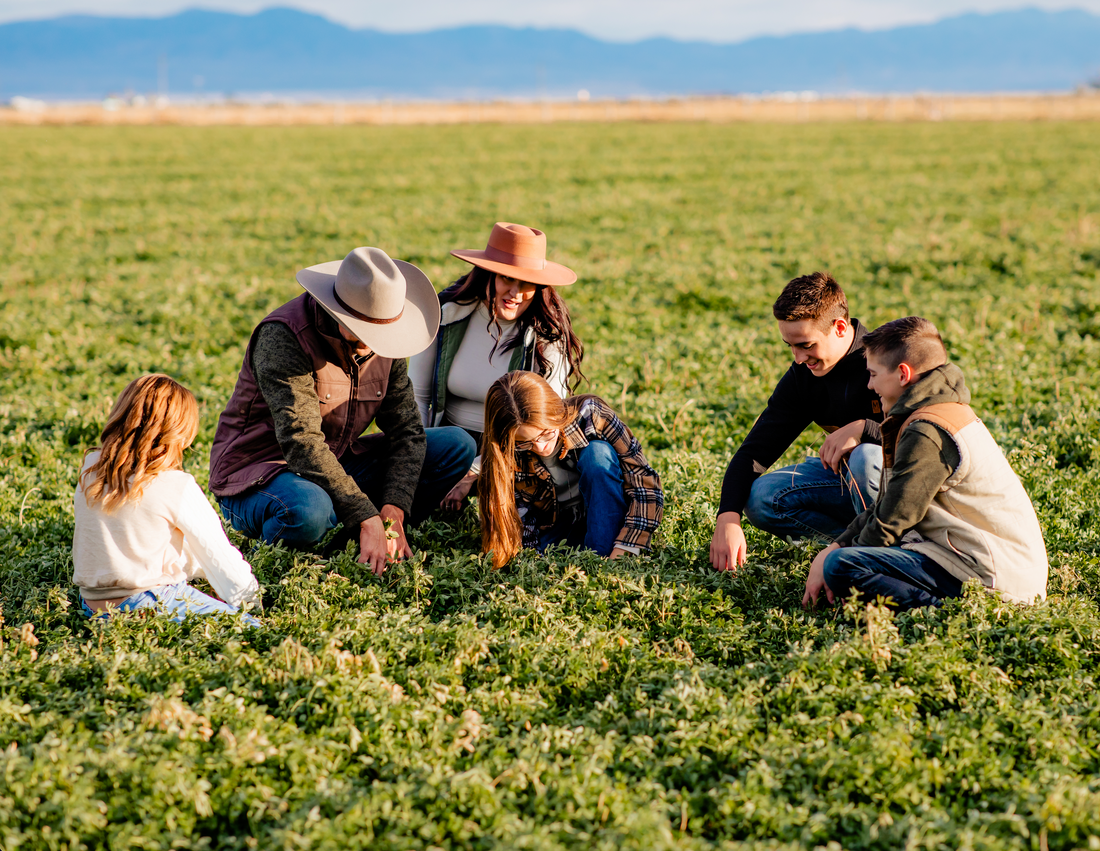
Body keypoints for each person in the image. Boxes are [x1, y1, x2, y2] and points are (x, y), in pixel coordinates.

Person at [209, 247, 476, 576]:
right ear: (337, 311)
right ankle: (286, 554)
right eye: (365, 330)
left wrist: (394, 509)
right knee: (308, 509)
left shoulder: (385, 344)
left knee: (455, 445)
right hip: (261, 472)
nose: (374, 342)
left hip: (335, 460)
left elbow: (407, 431)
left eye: (381, 331)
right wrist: (364, 511)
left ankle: (365, 534)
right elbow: (301, 441)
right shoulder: (284, 336)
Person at [804, 316, 1048, 610]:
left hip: (995, 579)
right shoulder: (935, 408)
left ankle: (946, 613)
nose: (869, 385)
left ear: (903, 374)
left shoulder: (926, 430)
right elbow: (884, 506)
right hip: (982, 562)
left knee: (841, 567)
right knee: (838, 559)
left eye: (873, 374)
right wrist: (834, 546)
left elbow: (891, 521)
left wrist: (833, 559)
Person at [710, 272, 885, 571]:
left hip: (909, 490)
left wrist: (865, 429)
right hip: (851, 486)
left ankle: (890, 553)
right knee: (761, 499)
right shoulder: (803, 378)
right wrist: (727, 516)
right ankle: (852, 546)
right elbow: (756, 450)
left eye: (806, 345)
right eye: (789, 346)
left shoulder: (886, 357)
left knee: (865, 457)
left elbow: (930, 433)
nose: (799, 358)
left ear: (839, 327)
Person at [409, 222, 584, 511]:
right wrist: (417, 462)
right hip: (451, 445)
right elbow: (418, 397)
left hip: (516, 450)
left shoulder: (547, 338)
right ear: (487, 274)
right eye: (506, 278)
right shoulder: (446, 316)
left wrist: (474, 473)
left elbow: (545, 426)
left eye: (527, 283)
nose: (516, 292)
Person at [73, 374, 261, 624]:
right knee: (249, 628)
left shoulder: (91, 469)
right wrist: (251, 603)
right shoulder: (175, 485)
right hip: (147, 600)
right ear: (178, 433)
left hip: (91, 604)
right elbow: (219, 557)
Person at [479, 371, 663, 569]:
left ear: (556, 411)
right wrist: (530, 559)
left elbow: (644, 482)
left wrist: (626, 547)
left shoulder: (592, 415)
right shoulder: (507, 449)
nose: (540, 447)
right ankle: (583, 558)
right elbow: (520, 515)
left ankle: (601, 557)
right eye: (525, 442)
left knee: (597, 454)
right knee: (544, 560)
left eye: (546, 433)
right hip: (557, 525)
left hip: (608, 514)